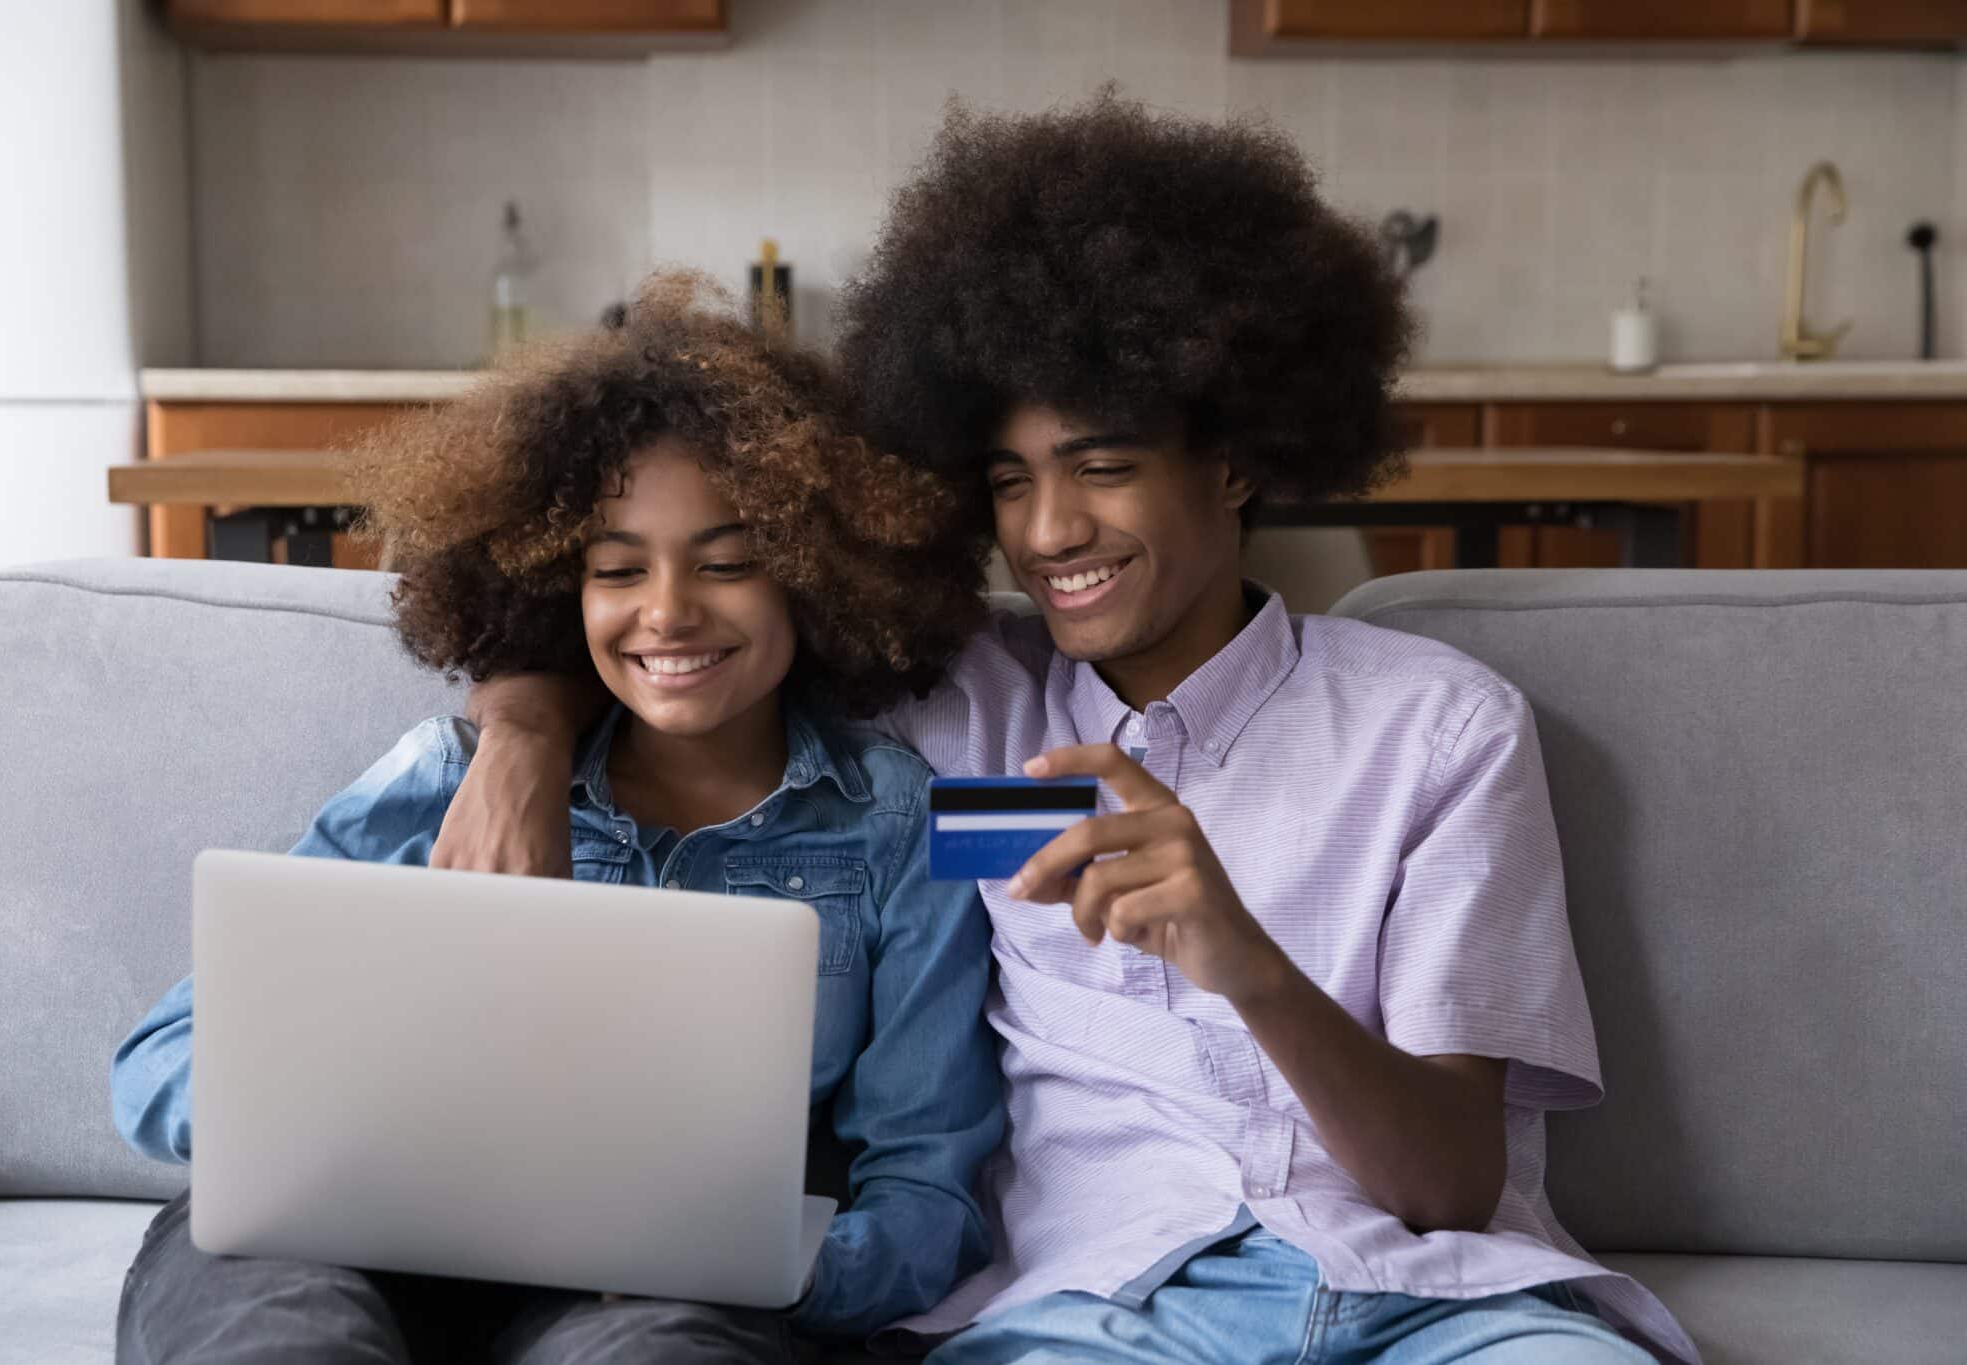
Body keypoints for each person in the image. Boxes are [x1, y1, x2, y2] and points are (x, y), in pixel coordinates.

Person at [440, 97, 1701, 1365]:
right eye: (1006, 481)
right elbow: (667, 636)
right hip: (1096, 1319)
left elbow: (1446, 1186)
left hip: (1436, 1307)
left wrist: (1247, 964)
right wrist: (522, 732)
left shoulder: (1436, 730)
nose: (1045, 534)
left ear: (1236, 458)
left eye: (1100, 469)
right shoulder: (947, 707)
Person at [108, 273, 1005, 1365]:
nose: (668, 610)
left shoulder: (897, 824)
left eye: (727, 563)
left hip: (643, 1294)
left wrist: (786, 1270)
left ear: (814, 578)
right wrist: (309, 1125)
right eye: (616, 570)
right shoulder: (448, 775)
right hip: (353, 1245)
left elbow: (928, 1185)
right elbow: (157, 1062)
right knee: (270, 1334)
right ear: (554, 590)